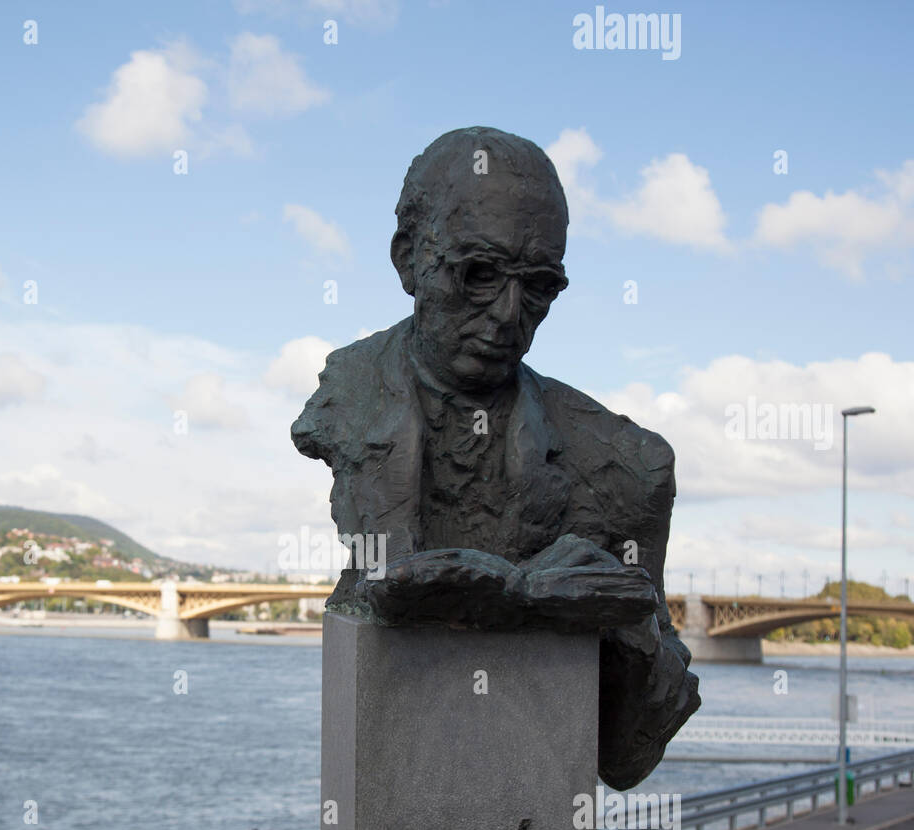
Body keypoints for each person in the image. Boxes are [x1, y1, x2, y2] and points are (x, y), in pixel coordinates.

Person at [291, 126, 700, 788]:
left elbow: (626, 759)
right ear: (407, 260)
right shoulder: (347, 403)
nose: (510, 315)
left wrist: (630, 629)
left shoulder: (627, 466)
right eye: (478, 274)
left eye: (537, 287)